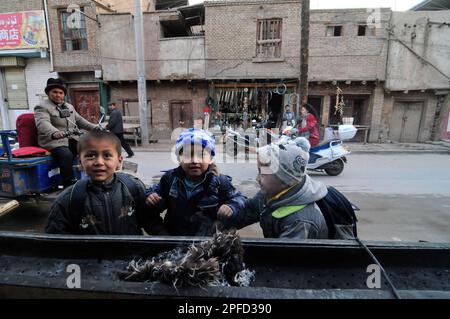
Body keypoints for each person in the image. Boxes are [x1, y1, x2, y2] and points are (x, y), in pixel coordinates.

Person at [45, 130, 164, 235]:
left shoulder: (133, 188)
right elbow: (56, 239)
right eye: (91, 156)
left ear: (119, 161)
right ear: (80, 161)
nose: (99, 162)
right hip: (90, 260)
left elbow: (151, 222)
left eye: (107, 155)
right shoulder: (69, 198)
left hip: (131, 258)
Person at [218, 137, 329, 239]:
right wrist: (232, 210)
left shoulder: (300, 222)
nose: (257, 178)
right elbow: (247, 211)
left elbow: (282, 257)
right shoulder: (270, 194)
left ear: (284, 179)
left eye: (262, 173)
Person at [145, 128, 247, 236]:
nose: (194, 160)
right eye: (188, 155)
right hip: (174, 240)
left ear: (210, 158)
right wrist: (151, 197)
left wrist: (232, 207)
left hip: (206, 244)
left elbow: (241, 200)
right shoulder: (170, 179)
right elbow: (154, 193)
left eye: (201, 155)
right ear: (179, 158)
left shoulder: (220, 183)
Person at [34, 78, 96, 188]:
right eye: (55, 92)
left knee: (89, 149)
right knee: (66, 154)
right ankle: (68, 184)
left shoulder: (68, 106)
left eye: (60, 93)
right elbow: (43, 123)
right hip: (53, 140)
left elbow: (79, 120)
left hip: (71, 138)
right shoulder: (42, 107)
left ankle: (92, 177)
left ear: (64, 94)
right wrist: (55, 132)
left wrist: (95, 127)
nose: (58, 95)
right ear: (48, 93)